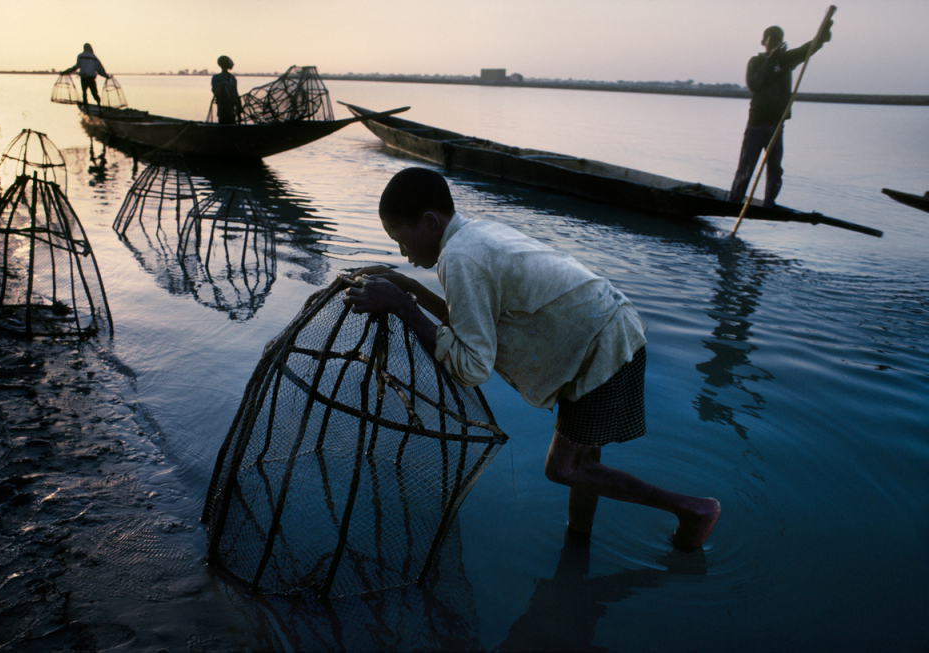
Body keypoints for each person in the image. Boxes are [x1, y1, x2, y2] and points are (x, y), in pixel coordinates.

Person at [343, 167, 721, 550]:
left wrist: (404, 309)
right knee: (585, 460)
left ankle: (693, 510)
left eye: (401, 242)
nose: (404, 255)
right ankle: (578, 539)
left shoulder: (459, 258)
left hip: (599, 349)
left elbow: (471, 366)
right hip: (607, 332)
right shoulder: (473, 235)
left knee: (564, 468)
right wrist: (404, 288)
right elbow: (470, 324)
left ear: (428, 222)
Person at [728, 20, 833, 207]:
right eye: (771, 41)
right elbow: (754, 84)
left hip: (776, 123)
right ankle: (735, 201)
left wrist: (824, 33)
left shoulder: (787, 60)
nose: (775, 44)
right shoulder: (756, 61)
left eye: (779, 41)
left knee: (775, 168)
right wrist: (770, 60)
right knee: (747, 166)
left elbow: (808, 48)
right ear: (763, 42)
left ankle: (769, 202)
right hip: (757, 123)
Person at [63, 43, 110, 108]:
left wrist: (66, 71)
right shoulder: (94, 57)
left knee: (84, 93)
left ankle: (86, 108)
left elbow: (76, 67)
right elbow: (100, 69)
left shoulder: (81, 56)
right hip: (91, 78)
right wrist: (106, 76)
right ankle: (99, 106)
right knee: (95, 94)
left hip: (84, 78)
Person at [211, 56, 242, 125]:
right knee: (223, 124)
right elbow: (215, 91)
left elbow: (236, 93)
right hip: (222, 107)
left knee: (232, 123)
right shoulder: (216, 77)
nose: (224, 66)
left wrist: (239, 110)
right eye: (223, 64)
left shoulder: (232, 78)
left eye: (225, 64)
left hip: (232, 107)